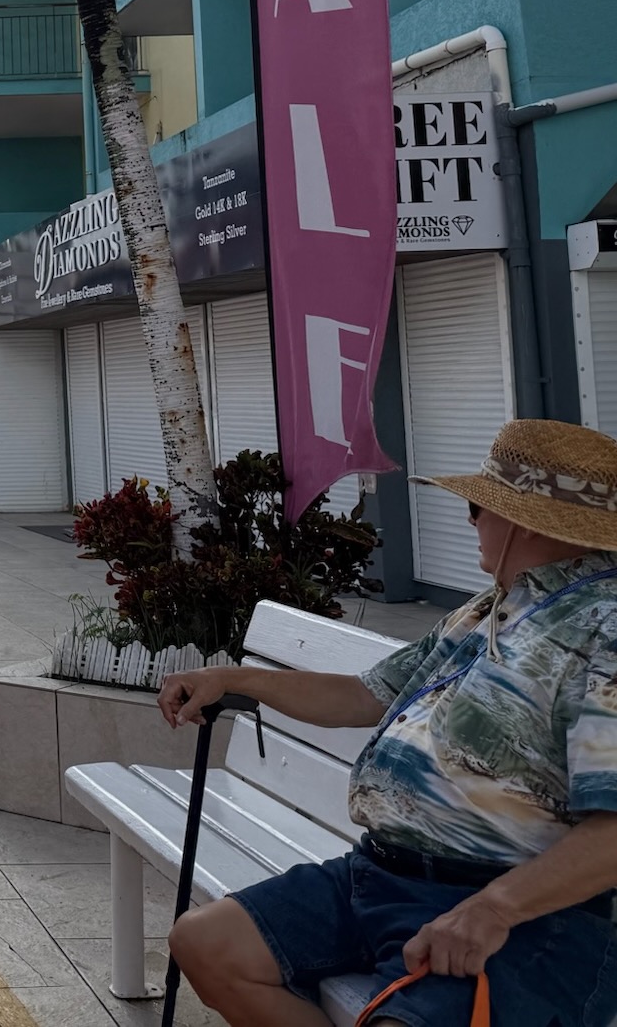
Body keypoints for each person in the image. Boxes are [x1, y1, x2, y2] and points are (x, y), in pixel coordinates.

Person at [163, 418, 617, 1027]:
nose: (469, 521)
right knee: (205, 944)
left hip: (519, 910)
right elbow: (361, 695)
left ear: (526, 521)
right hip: (379, 876)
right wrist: (236, 679)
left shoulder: (604, 630)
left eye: (481, 508)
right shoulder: (489, 608)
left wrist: (494, 909)